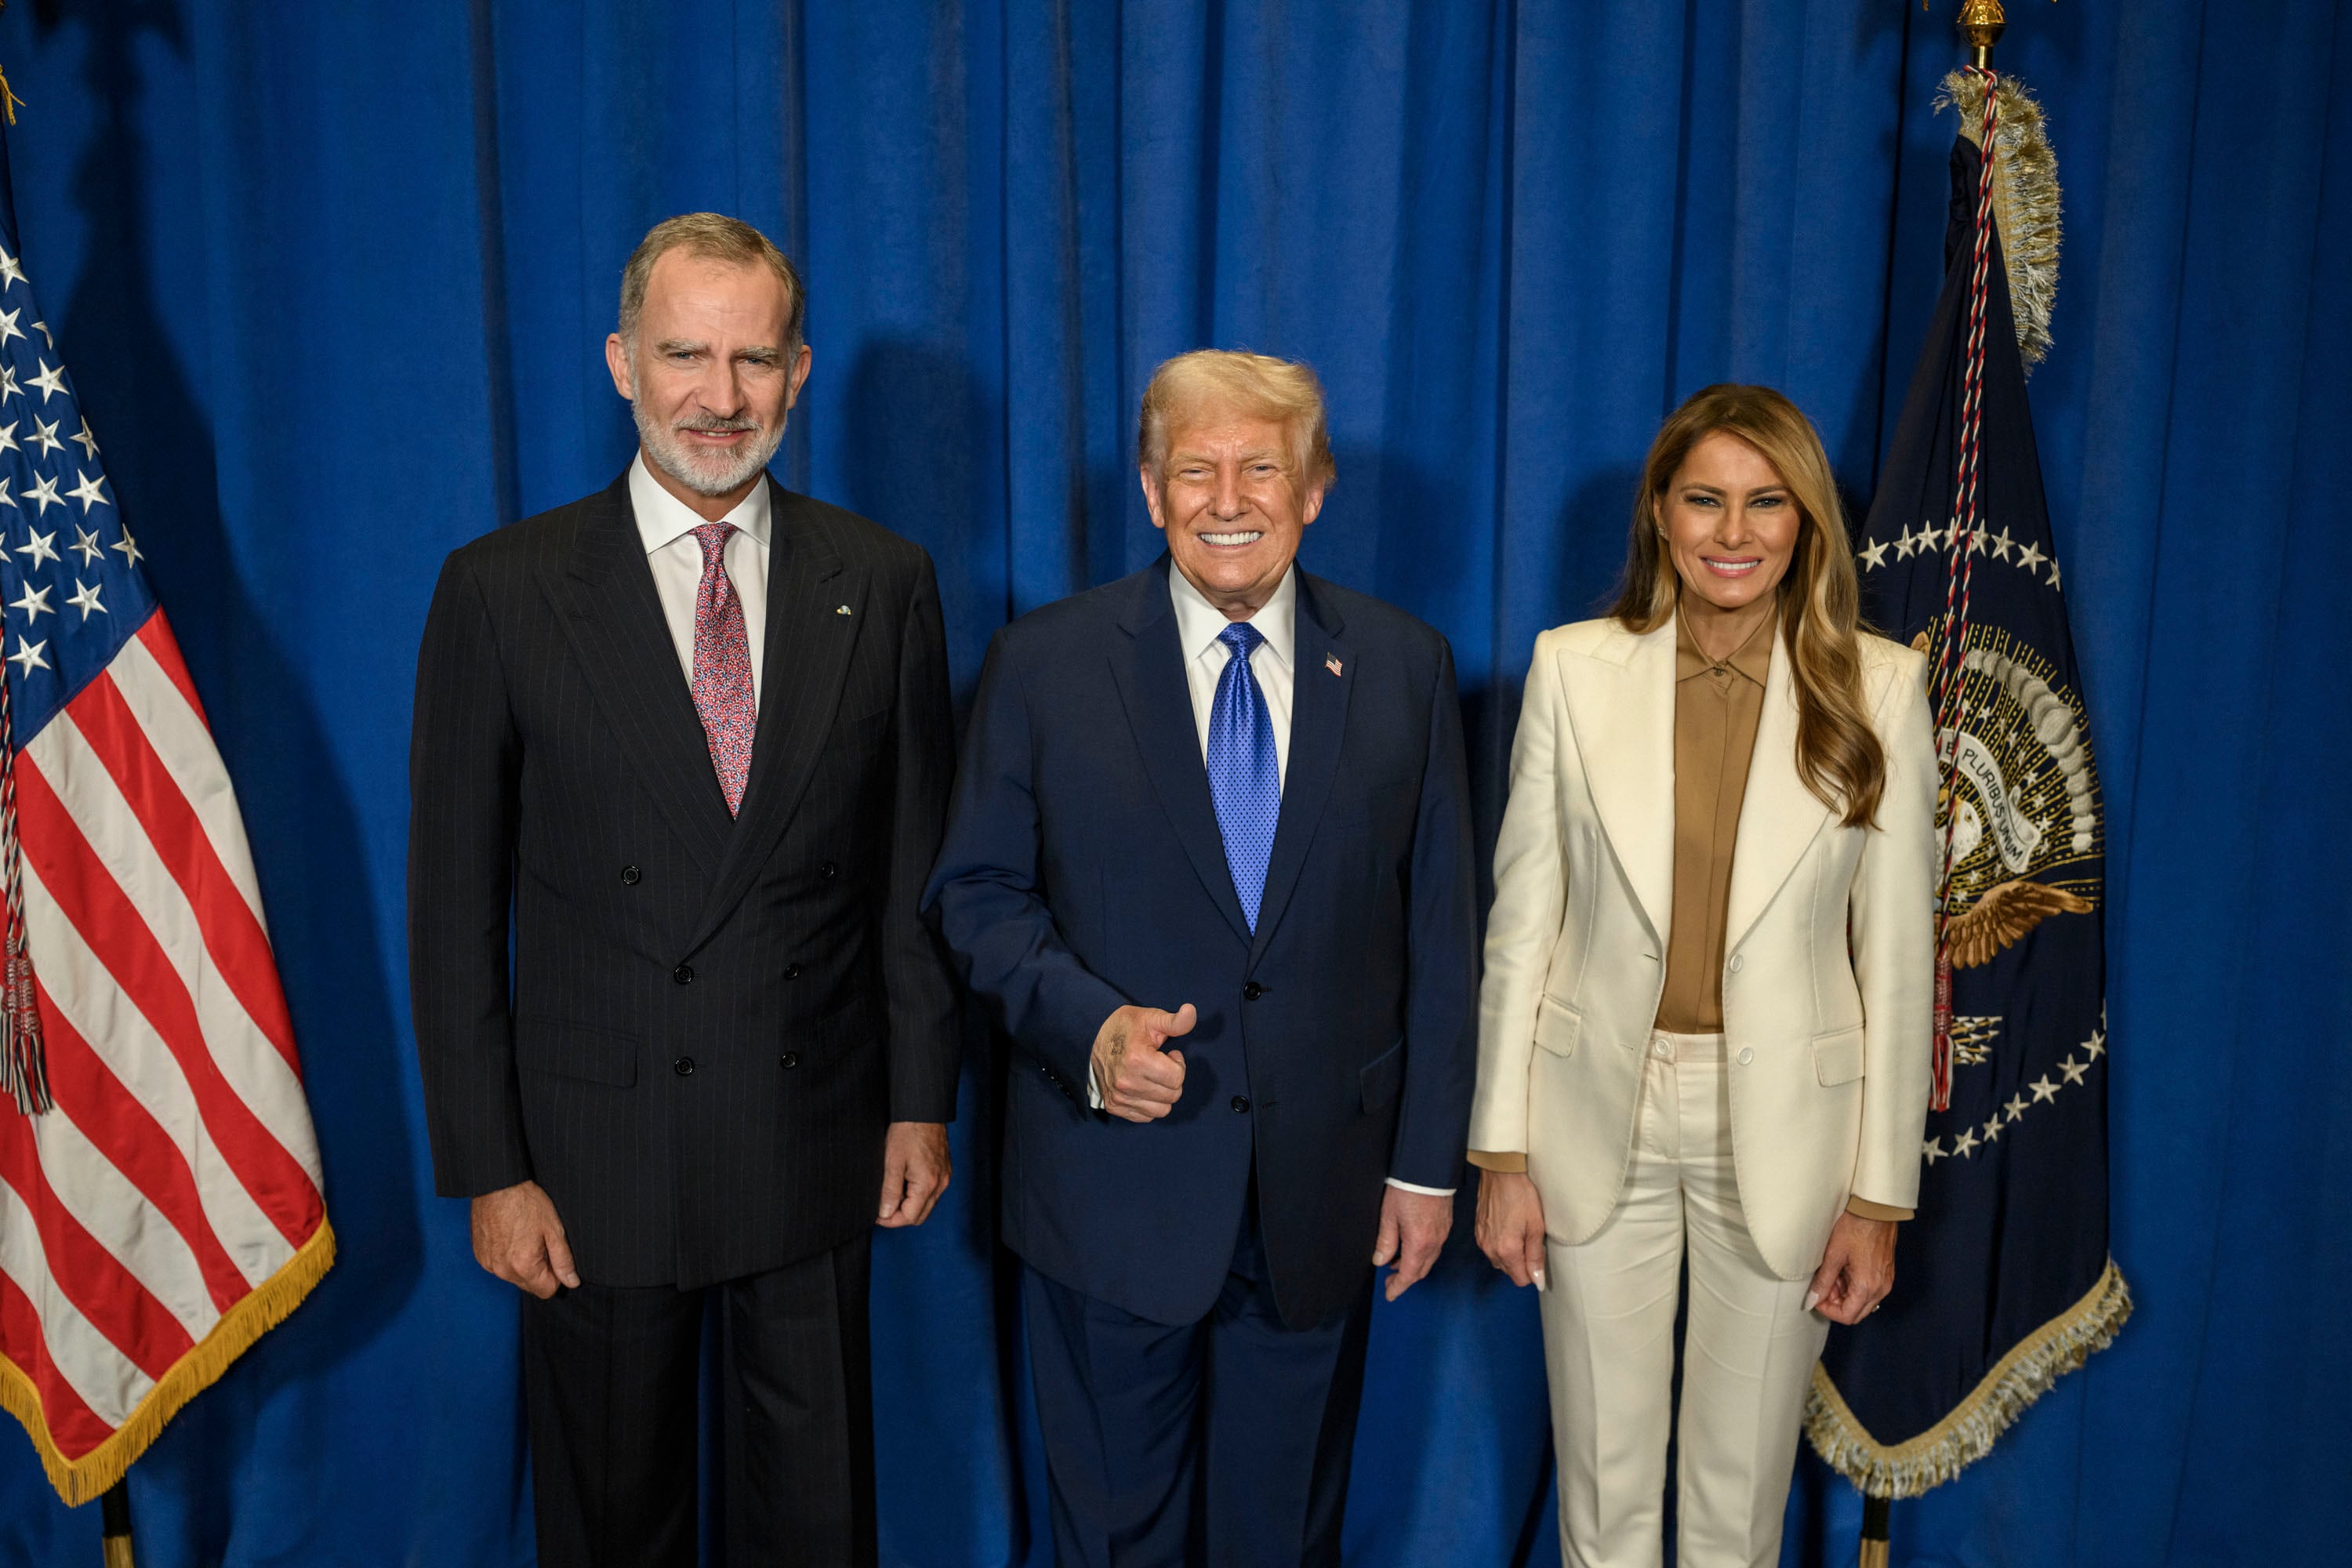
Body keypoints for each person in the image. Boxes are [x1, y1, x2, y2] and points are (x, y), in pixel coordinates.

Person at [408, 212, 960, 1568]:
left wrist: (919, 1098)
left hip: (814, 1131)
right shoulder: (503, 591)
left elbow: (911, 876)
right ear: (621, 364)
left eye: (753, 359)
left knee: (818, 1528)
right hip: (594, 1161)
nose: (720, 396)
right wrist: (491, 1169)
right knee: (612, 1529)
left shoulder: (884, 582)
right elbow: (452, 913)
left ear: (799, 372)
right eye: (684, 355)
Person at [925, 350, 1476, 1566]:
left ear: (1314, 489)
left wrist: (1427, 1171)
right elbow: (975, 893)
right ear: (1149, 487)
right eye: (1195, 470)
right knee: (1114, 1542)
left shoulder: (1405, 666)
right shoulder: (1043, 665)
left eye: (1261, 469)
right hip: (1107, 1195)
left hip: (1319, 1202)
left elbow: (1444, 937)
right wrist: (1088, 1028)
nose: (1228, 500)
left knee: (1281, 1544)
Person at [1469, 384, 1936, 1567]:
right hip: (1594, 1113)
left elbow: (1898, 960)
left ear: (1805, 521)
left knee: (1738, 1504)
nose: (1734, 533)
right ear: (1660, 515)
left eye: (1766, 503)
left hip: (1789, 1130)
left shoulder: (1881, 687)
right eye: (1705, 501)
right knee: (1604, 1491)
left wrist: (1879, 1199)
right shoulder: (1572, 670)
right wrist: (1501, 1152)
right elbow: (1522, 926)